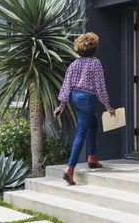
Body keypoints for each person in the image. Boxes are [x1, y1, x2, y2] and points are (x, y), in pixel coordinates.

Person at [54, 32, 115, 185]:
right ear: (94, 48)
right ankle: (70, 168)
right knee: (81, 132)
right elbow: (100, 87)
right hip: (87, 98)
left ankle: (92, 158)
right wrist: (108, 106)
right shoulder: (95, 63)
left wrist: (61, 105)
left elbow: (66, 84)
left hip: (75, 97)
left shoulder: (74, 64)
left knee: (93, 123)